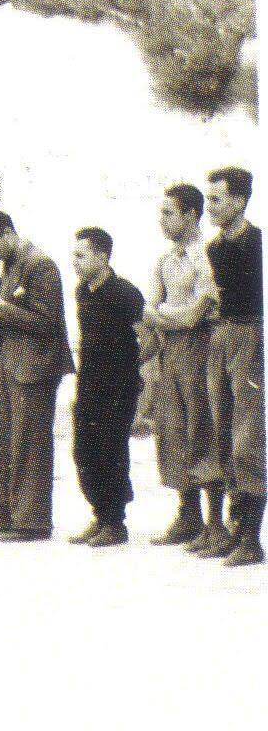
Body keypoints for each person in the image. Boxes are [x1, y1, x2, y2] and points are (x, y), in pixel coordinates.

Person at [0, 210, 74, 542]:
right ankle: (7, 519)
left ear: (7, 232)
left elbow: (46, 321)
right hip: (11, 362)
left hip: (34, 366)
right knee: (1, 438)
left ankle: (31, 522)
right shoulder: (13, 263)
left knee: (29, 444)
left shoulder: (39, 265)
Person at [144, 184, 223, 549]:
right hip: (167, 352)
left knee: (202, 427)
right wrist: (167, 318)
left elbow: (196, 315)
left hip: (201, 349)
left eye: (169, 213)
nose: (162, 221)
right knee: (172, 429)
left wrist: (166, 316)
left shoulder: (207, 256)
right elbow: (148, 309)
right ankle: (187, 513)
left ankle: (215, 521)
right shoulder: (162, 260)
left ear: (191, 214)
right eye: (161, 214)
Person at [69, 227, 145, 547]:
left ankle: (116, 523)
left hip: (118, 386)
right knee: (84, 451)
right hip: (89, 383)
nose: (74, 261)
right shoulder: (82, 291)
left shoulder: (125, 293)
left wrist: (134, 375)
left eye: (81, 255)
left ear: (102, 256)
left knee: (111, 450)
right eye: (74, 255)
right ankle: (100, 514)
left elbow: (147, 338)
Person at [204, 167, 265, 566]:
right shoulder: (216, 247)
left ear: (239, 201)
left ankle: (250, 537)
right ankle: (232, 528)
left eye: (217, 199)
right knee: (222, 431)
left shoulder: (256, 242)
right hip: (221, 335)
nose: (210, 207)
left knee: (248, 436)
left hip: (250, 335)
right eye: (208, 199)